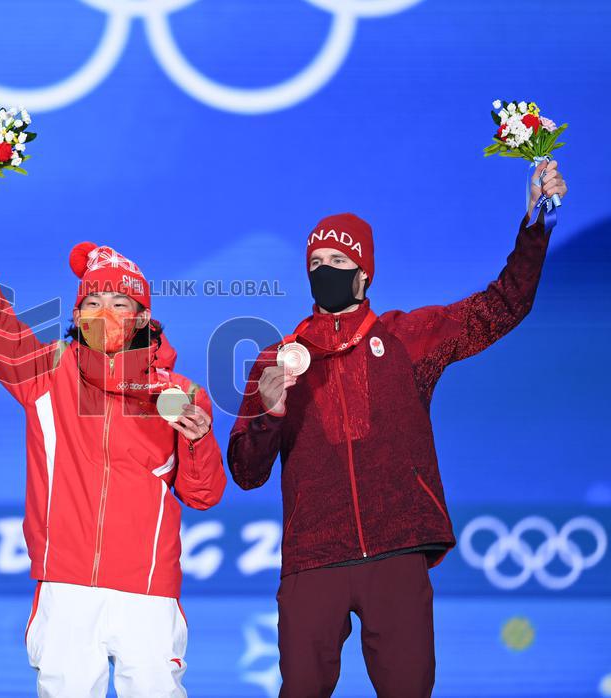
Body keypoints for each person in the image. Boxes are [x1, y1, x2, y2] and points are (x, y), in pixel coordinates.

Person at [227, 161, 568, 697]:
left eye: (339, 260)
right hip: (314, 558)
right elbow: (246, 472)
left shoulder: (409, 339)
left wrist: (536, 224)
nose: (326, 270)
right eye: (316, 262)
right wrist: (269, 413)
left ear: (365, 273)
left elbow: (503, 306)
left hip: (396, 552)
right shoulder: (276, 361)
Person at [0, 175, 227, 697]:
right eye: (93, 304)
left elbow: (203, 495)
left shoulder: (181, 395)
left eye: (121, 304)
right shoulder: (46, 372)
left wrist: (200, 440)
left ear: (143, 317)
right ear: (76, 315)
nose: (106, 315)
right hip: (66, 585)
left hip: (147, 591)